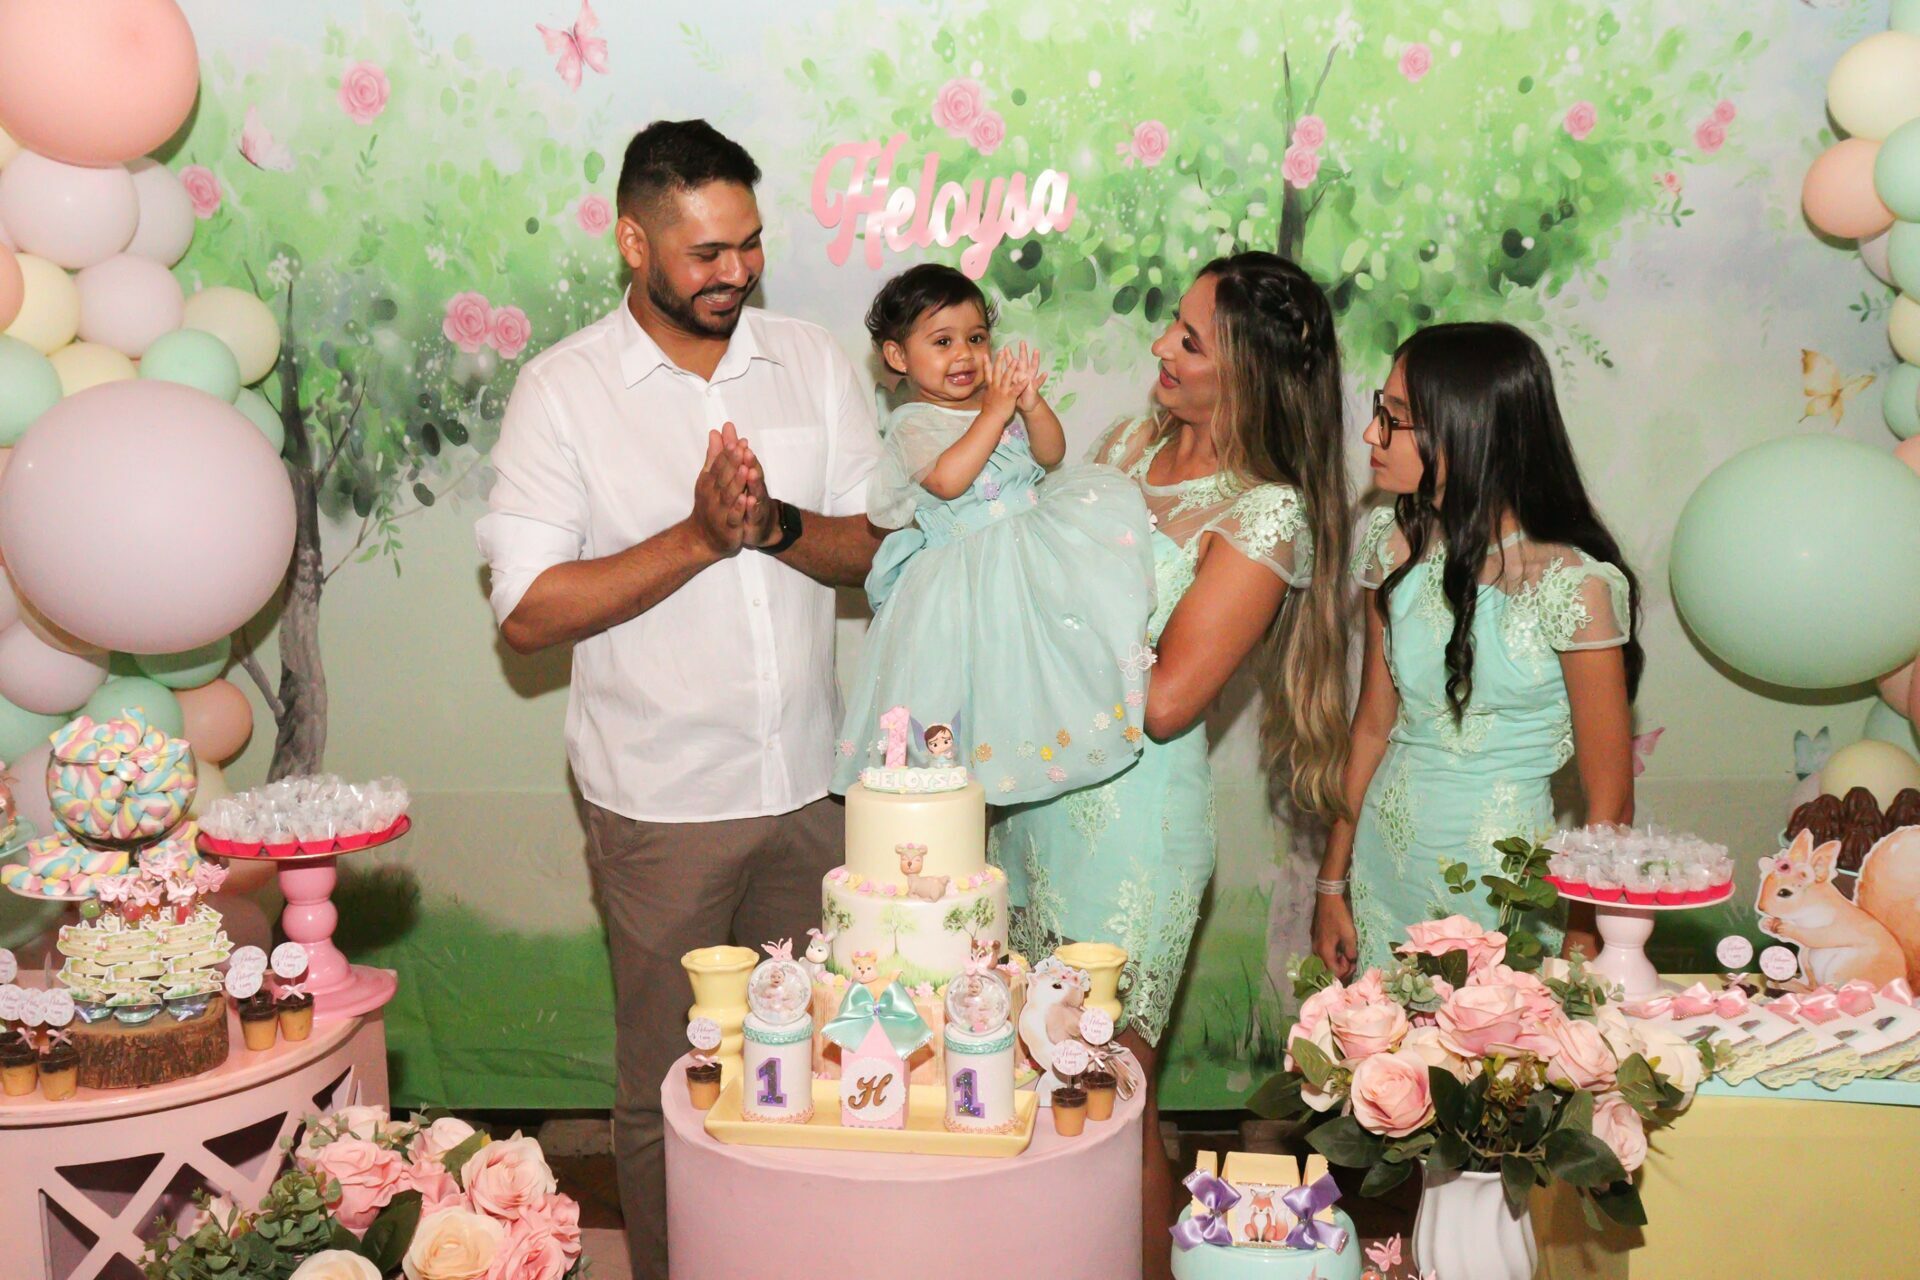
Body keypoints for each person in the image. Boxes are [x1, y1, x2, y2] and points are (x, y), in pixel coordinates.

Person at [474, 119, 883, 1280]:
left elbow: (874, 546)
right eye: (706, 252)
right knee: (673, 1084)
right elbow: (528, 610)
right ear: (633, 243)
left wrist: (775, 524)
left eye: (749, 245)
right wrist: (700, 537)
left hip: (814, 789)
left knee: (822, 1067)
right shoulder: (564, 391)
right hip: (660, 807)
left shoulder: (810, 360)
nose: (736, 272)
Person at [992, 252, 1354, 1280]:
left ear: (1248, 374)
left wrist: (1048, 620)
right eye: (1172, 325)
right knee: (1023, 1074)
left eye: (1190, 340)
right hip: (1038, 804)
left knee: (1110, 1091)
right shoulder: (1127, 442)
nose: (1161, 346)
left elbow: (1166, 700)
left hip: (1133, 833)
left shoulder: (1266, 509)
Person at [1313, 321, 1641, 979]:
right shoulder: (1392, 546)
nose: (1372, 434)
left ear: (1467, 429)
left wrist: (1581, 944)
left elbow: (1610, 801)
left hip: (1506, 888)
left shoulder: (1572, 583)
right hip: (1385, 869)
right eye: (1381, 410)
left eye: (1395, 416)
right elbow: (1372, 727)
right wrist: (1330, 884)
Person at [830, 264, 1156, 798]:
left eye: (976, 338)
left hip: (1025, 561)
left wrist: (1029, 405)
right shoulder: (912, 424)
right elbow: (948, 480)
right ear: (898, 356)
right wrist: (996, 412)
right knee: (972, 689)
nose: (964, 354)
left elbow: (1051, 454)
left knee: (1041, 665)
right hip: (964, 584)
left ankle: (1052, 747)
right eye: (942, 342)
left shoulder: (996, 407)